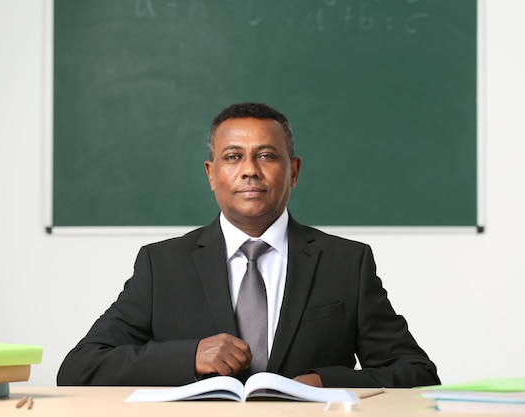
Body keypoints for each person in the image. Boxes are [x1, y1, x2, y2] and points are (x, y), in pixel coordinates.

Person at [57, 102, 440, 388]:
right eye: (233, 157)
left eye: (267, 155)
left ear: (294, 171)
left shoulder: (345, 262)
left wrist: (323, 383)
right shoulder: (163, 265)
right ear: (212, 174)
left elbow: (417, 373)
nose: (250, 170)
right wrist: (190, 356)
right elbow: (79, 368)